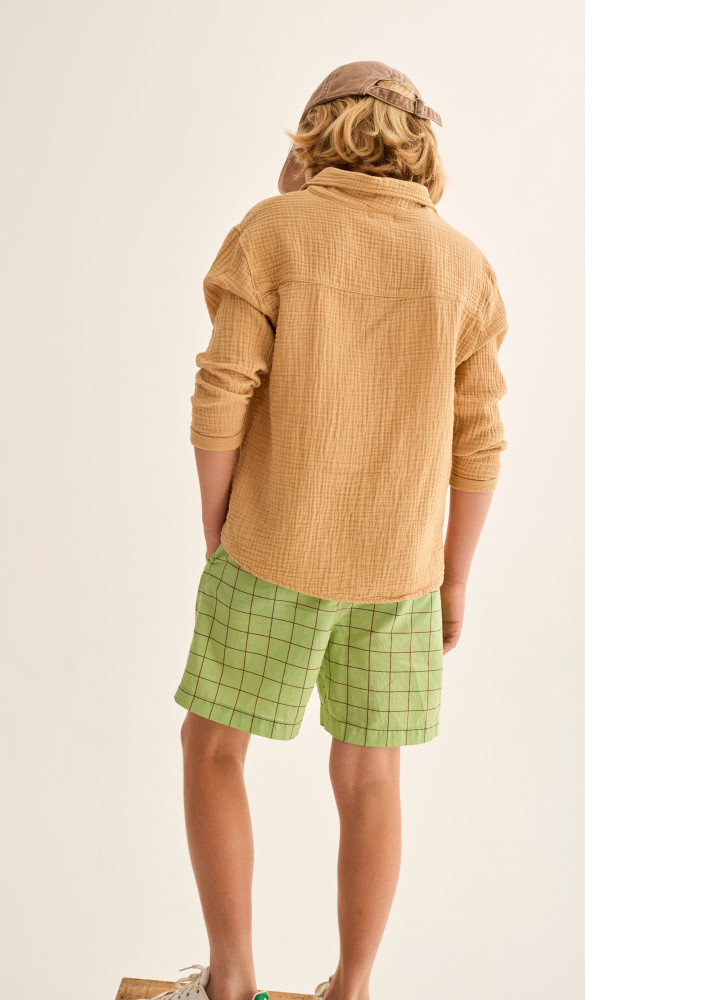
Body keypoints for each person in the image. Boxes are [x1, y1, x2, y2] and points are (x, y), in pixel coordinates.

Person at [154, 61, 509, 1000]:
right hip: (401, 573)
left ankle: (231, 983)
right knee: (370, 777)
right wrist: (454, 577)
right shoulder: (463, 265)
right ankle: (351, 990)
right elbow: (479, 439)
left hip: (271, 548)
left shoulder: (273, 231)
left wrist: (217, 518)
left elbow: (222, 390)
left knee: (213, 748)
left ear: (314, 136)